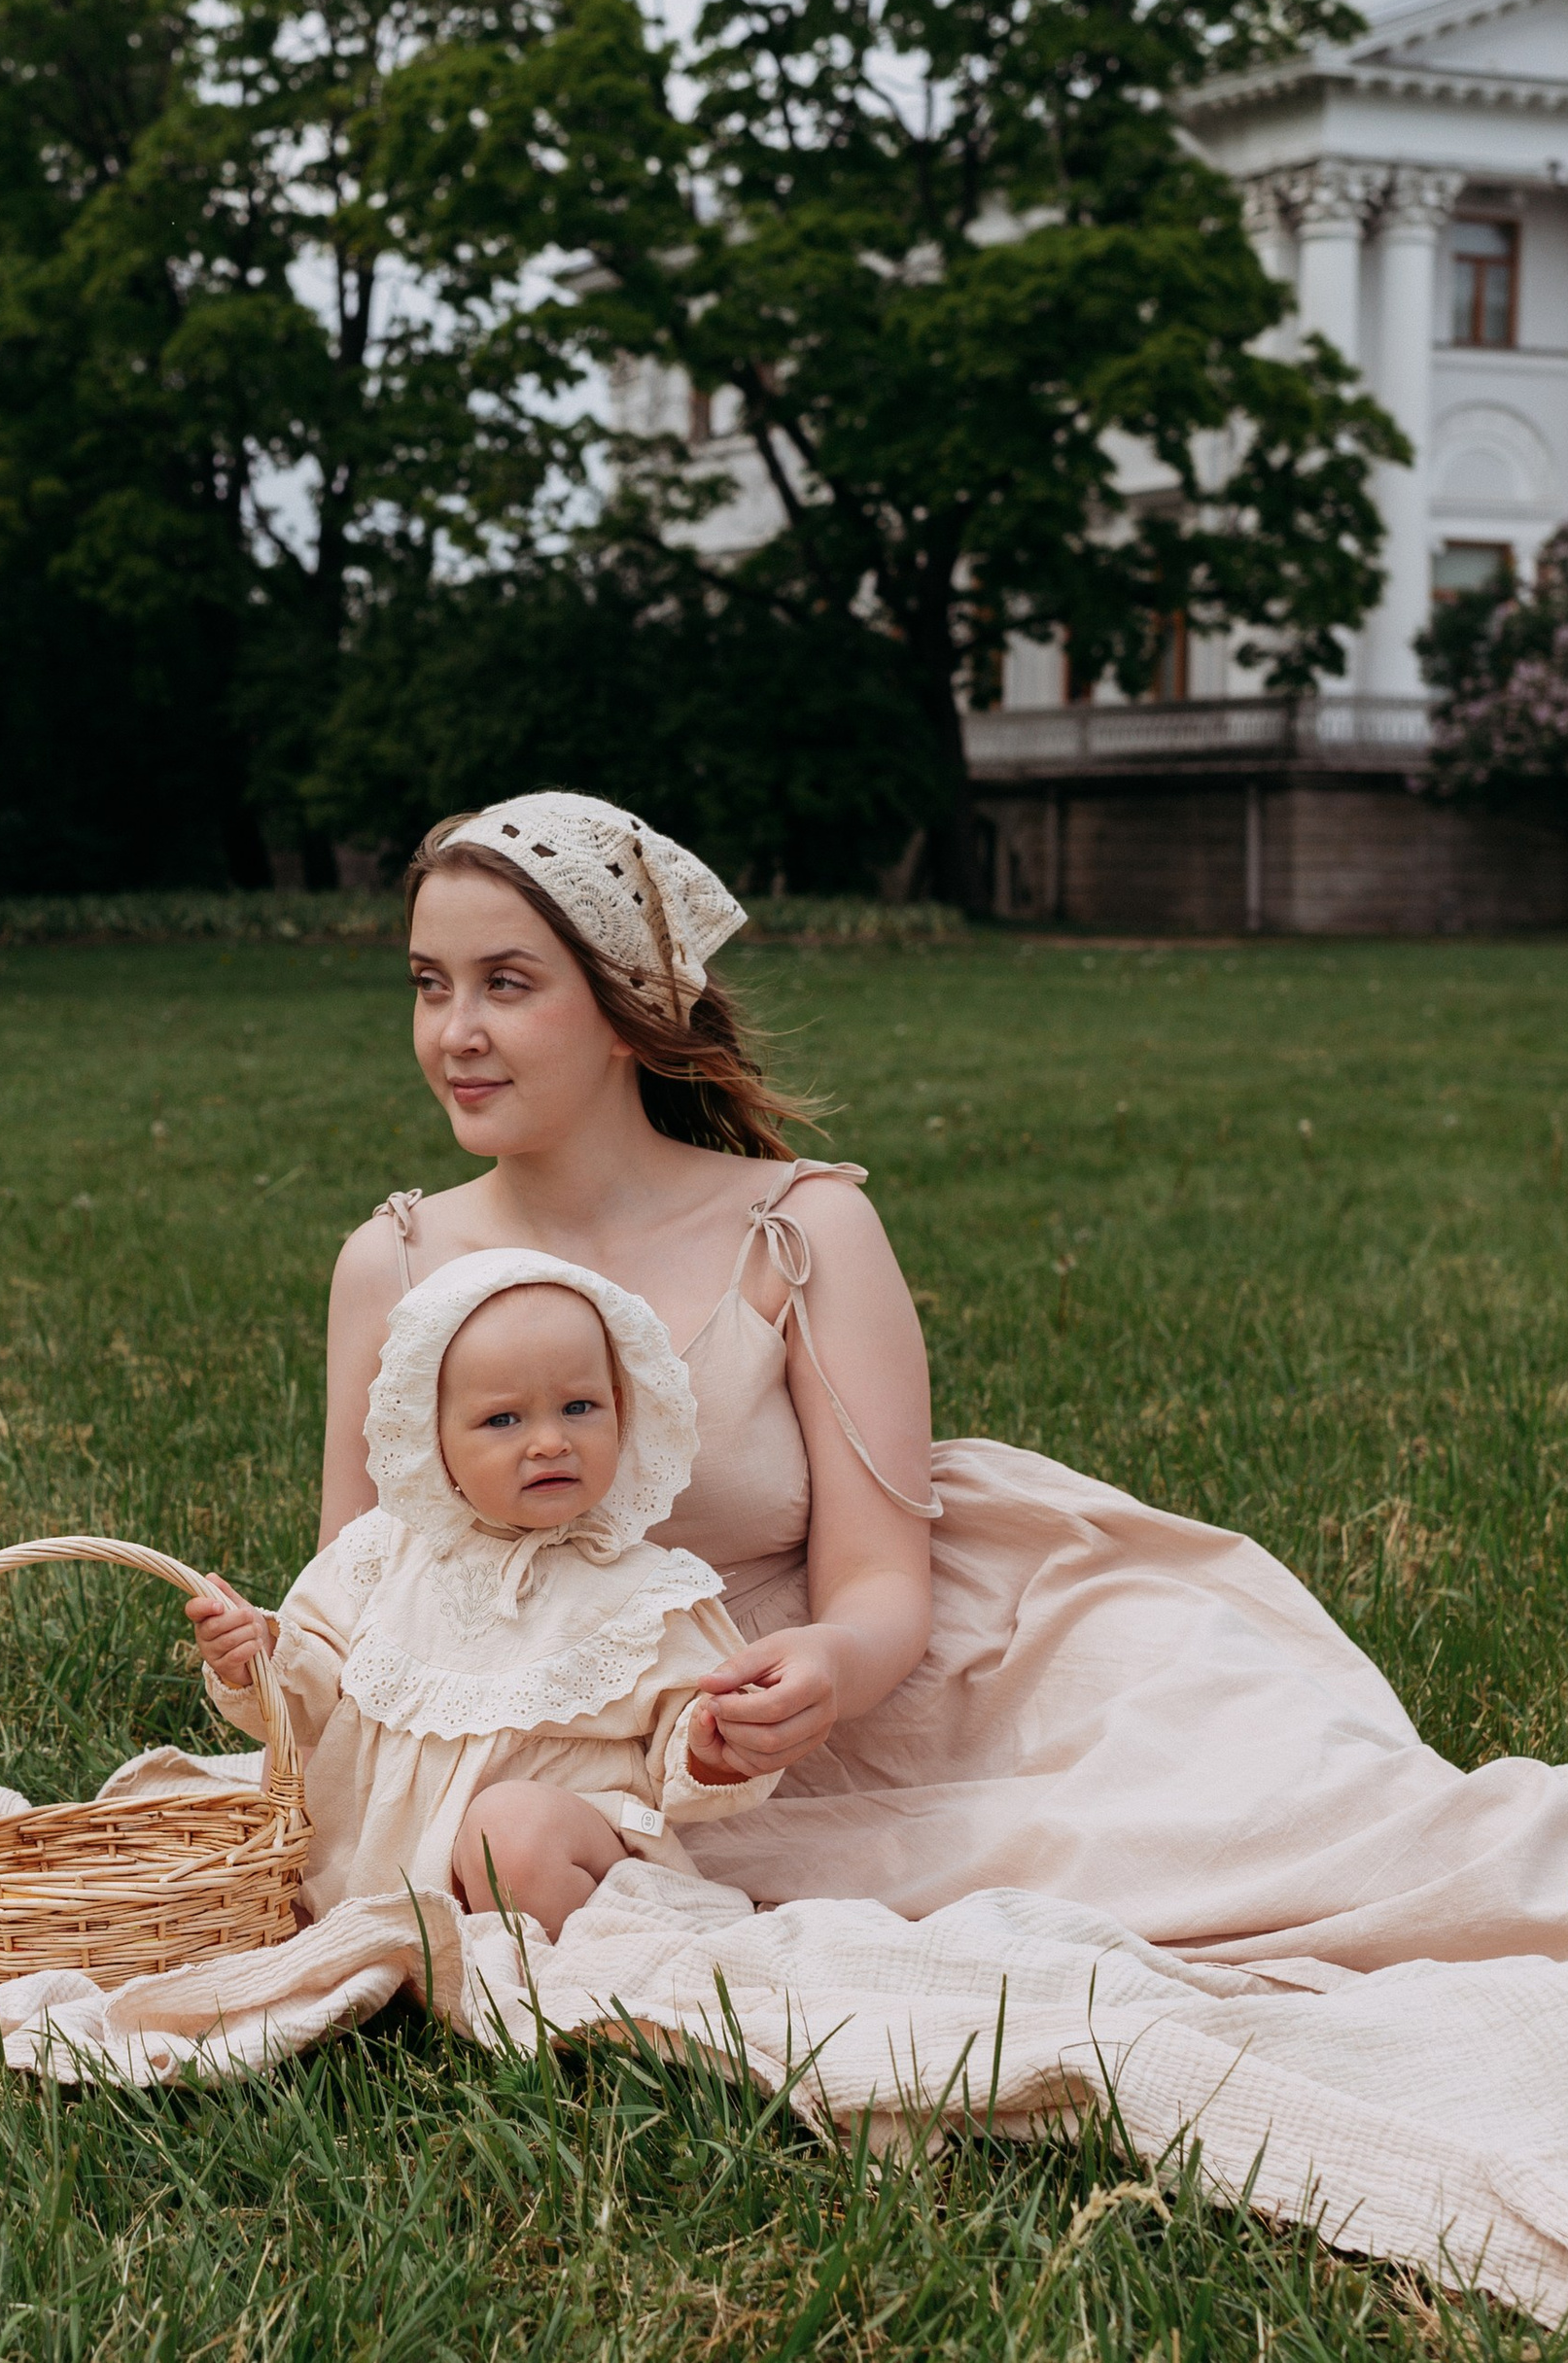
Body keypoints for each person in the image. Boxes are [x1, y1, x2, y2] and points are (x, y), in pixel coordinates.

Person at [319, 789, 1568, 1969]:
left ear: (628, 1006)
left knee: (1251, 1829)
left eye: (506, 984)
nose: (454, 1033)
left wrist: (828, 1666)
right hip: (531, 1751)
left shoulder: (797, 1231)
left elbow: (875, 1578)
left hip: (814, 1728)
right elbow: (353, 1595)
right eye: (430, 986)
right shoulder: (398, 1261)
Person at [187, 1250, 775, 1931]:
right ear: (434, 1442)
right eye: (503, 1420)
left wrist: (714, 1743)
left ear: (625, 1412)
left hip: (569, 1860)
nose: (551, 1441)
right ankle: (410, 1943)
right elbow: (305, 1704)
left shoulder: (645, 1592)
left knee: (509, 1829)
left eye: (580, 1407)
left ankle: (566, 1973)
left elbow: (689, 1764)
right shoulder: (382, 1554)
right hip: (387, 1872)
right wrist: (257, 1652)